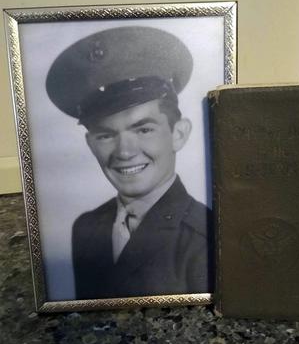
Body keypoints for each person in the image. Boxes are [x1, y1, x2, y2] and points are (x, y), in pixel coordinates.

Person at [46, 26, 213, 300]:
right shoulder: (87, 228)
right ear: (90, 144)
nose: (124, 152)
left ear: (178, 134)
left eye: (143, 129)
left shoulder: (205, 237)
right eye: (106, 135)